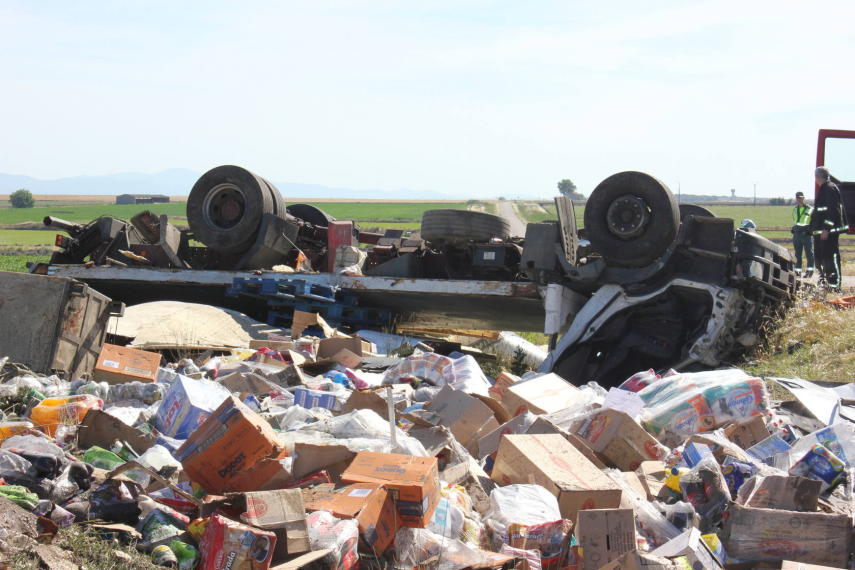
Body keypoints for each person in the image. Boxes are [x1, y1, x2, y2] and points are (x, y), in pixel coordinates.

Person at [811, 166, 849, 291]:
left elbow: (833, 211)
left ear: (818, 177)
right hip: (822, 233)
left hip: (828, 233)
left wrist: (826, 228)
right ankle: (826, 283)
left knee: (830, 258)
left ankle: (834, 286)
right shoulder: (825, 189)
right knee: (822, 258)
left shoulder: (829, 189)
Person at [791, 191, 814, 277]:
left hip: (806, 233)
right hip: (797, 233)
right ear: (796, 199)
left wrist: (810, 230)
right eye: (797, 198)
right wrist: (793, 228)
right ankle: (798, 271)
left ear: (803, 198)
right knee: (797, 254)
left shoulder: (810, 209)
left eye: (800, 198)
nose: (799, 199)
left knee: (809, 253)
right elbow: (795, 221)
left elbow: (814, 221)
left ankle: (810, 271)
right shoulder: (795, 209)